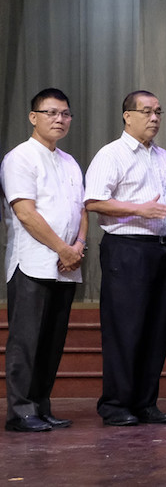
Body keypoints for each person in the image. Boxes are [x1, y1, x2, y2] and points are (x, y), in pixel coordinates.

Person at [84, 90, 166, 426]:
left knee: (156, 329)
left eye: (158, 112)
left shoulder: (162, 155)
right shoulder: (112, 154)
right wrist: (140, 209)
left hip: (160, 248)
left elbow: (164, 202)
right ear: (127, 115)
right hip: (126, 249)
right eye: (147, 111)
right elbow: (94, 201)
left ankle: (145, 402)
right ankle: (115, 404)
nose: (154, 118)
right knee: (126, 328)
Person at [1, 88, 86, 432]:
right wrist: (62, 249)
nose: (59, 119)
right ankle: (20, 411)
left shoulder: (69, 161)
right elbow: (25, 213)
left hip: (67, 266)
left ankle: (41, 405)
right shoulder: (20, 157)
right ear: (33, 117)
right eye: (51, 113)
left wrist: (78, 245)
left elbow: (81, 209)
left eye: (65, 113)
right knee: (26, 341)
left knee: (52, 342)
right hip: (32, 264)